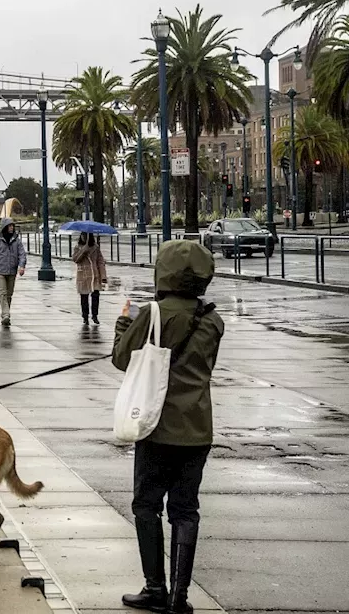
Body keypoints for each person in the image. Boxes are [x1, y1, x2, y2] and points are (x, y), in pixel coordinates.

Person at [112, 239, 224, 614]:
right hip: (197, 428)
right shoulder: (213, 320)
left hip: (156, 425)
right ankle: (180, 595)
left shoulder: (153, 313)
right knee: (185, 509)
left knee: (146, 504)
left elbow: (121, 358)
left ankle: (154, 588)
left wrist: (123, 323)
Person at [72, 233, 108, 326]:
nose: (83, 237)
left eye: (86, 236)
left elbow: (100, 262)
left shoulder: (95, 247)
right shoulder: (78, 247)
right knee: (84, 297)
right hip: (83, 275)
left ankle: (95, 315)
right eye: (82, 235)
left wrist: (103, 276)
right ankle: (85, 316)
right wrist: (84, 250)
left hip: (94, 275)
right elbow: (75, 259)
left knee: (95, 296)